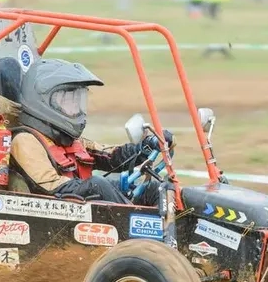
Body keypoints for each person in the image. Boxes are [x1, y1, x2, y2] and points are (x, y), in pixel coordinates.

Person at [9, 58, 175, 206]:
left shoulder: (68, 141)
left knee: (157, 190)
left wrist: (147, 145)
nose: (75, 107)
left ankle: (180, 225)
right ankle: (137, 228)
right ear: (42, 103)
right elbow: (50, 187)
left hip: (80, 207)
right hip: (51, 214)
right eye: (68, 100)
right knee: (98, 184)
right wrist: (95, 186)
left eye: (78, 100)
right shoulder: (25, 141)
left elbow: (111, 157)